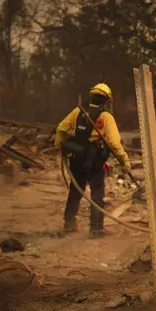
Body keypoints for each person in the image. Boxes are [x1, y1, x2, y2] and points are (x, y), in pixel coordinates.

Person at [54, 83, 131, 238]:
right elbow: (115, 143)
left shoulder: (78, 111)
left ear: (92, 96)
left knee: (76, 190)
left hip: (76, 158)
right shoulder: (106, 116)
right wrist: (125, 161)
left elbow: (60, 128)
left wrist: (59, 144)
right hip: (94, 160)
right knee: (97, 192)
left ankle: (69, 224)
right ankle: (96, 229)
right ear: (107, 100)